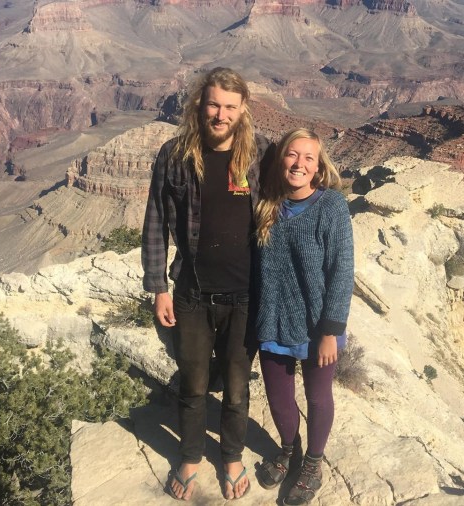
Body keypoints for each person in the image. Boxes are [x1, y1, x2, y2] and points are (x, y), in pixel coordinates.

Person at [141, 67, 272, 501]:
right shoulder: (175, 155)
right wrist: (158, 285)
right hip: (192, 292)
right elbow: (156, 222)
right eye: (214, 104)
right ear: (201, 104)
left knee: (237, 384)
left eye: (230, 107)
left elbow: (296, 195)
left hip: (246, 296)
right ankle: (191, 455)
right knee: (193, 382)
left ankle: (232, 456)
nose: (220, 115)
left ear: (243, 110)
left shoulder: (260, 154)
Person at [253, 128, 354, 505]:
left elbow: (342, 271)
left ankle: (313, 463)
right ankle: (289, 449)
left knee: (316, 396)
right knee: (279, 400)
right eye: (292, 155)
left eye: (308, 158)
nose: (299, 163)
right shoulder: (267, 205)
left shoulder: (331, 207)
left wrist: (331, 330)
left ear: (318, 167)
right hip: (272, 318)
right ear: (281, 161)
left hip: (317, 326)